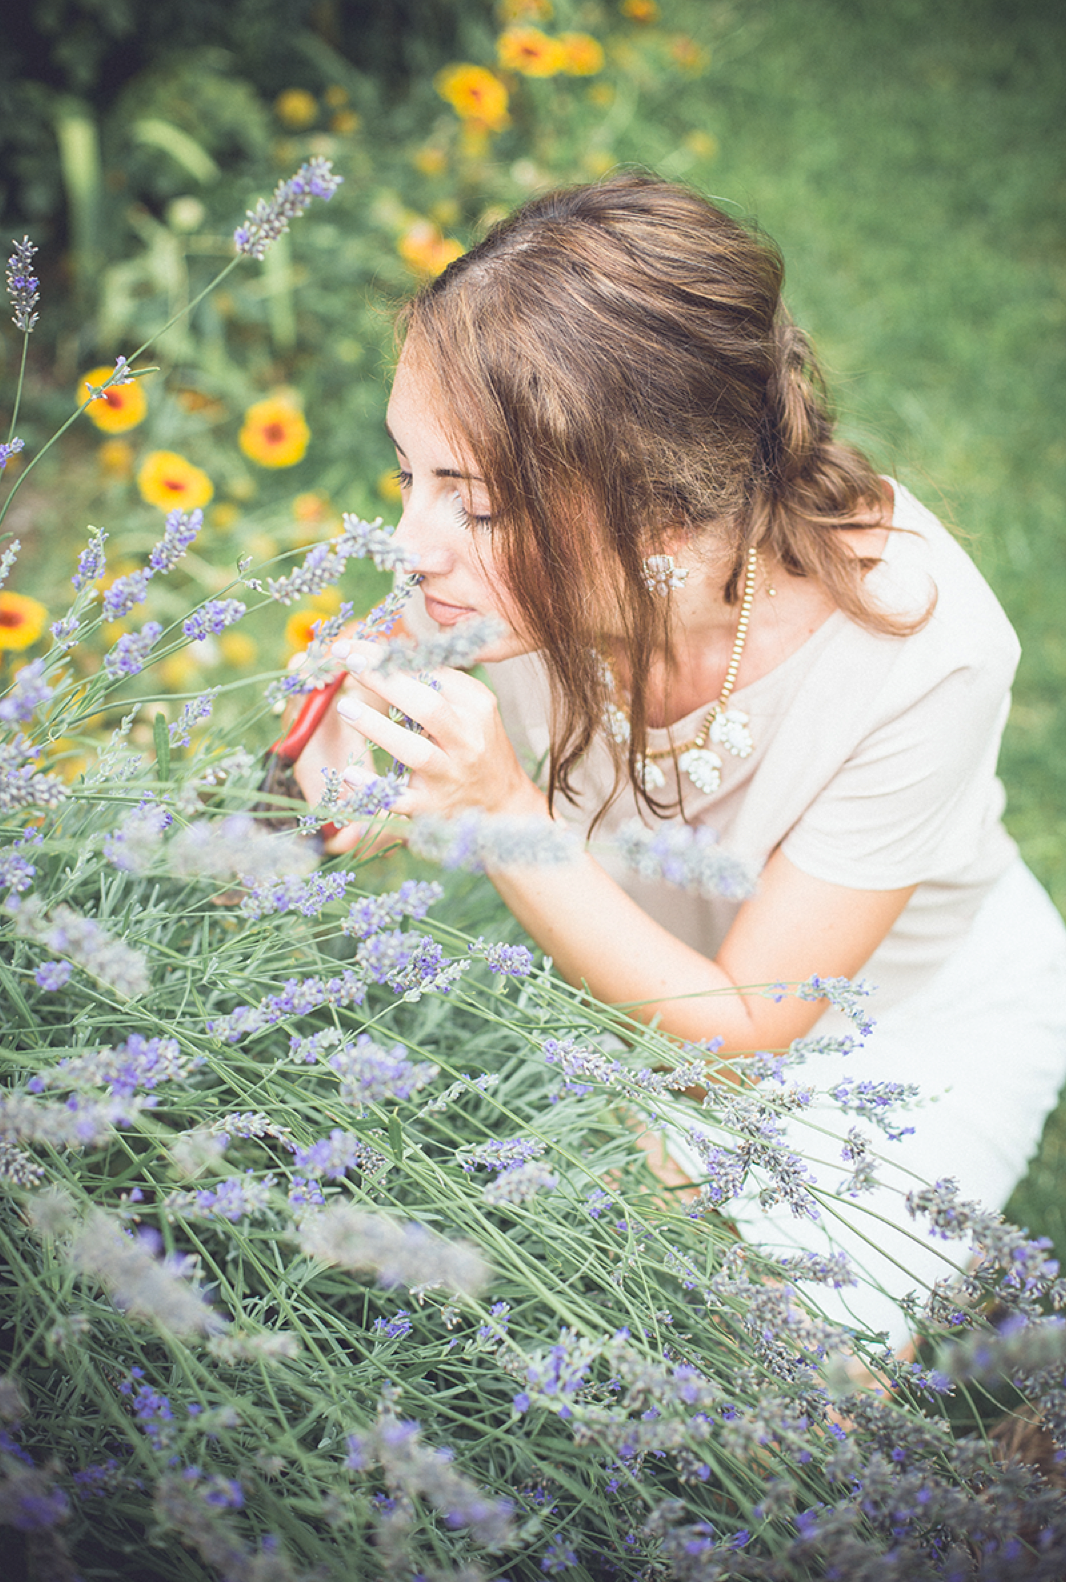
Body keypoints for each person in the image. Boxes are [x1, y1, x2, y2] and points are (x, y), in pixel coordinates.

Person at [293, 173, 1066, 1345]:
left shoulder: (928, 648)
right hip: (631, 985)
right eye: (412, 478)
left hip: (898, 1025)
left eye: (479, 504)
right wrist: (343, 764)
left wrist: (503, 814)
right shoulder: (488, 588)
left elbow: (747, 1031)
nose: (409, 550)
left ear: (661, 519)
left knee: (781, 1400)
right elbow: (340, 782)